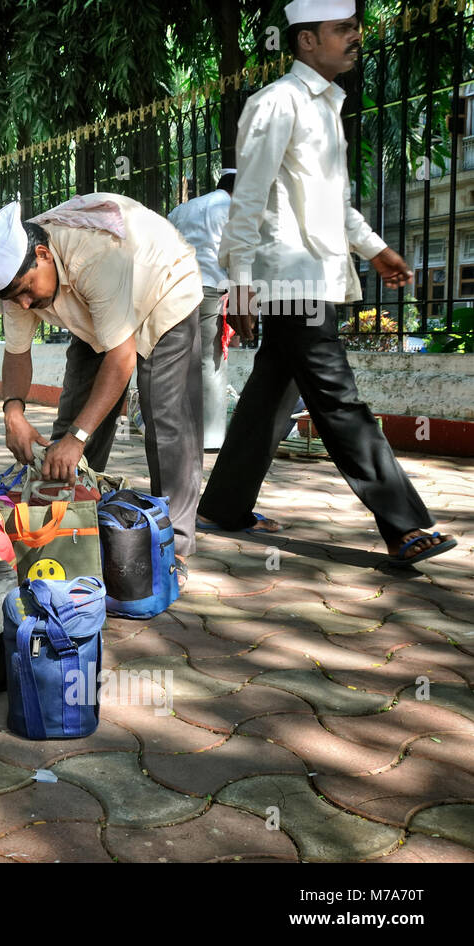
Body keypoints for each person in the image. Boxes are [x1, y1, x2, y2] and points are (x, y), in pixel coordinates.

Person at [198, 0, 456, 568]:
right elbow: (248, 200)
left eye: (355, 28)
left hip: (317, 277)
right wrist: (238, 286)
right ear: (307, 40)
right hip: (291, 280)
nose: (355, 37)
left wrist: (375, 248)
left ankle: (223, 506)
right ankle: (406, 524)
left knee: (270, 396)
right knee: (339, 402)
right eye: (342, 30)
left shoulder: (325, 109)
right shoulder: (275, 104)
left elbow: (330, 204)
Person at [0, 194, 204, 570]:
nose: (25, 305)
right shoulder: (16, 284)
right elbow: (16, 353)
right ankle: (71, 515)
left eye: (28, 290)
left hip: (164, 288)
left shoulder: (92, 254)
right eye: (16, 298)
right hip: (99, 310)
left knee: (165, 417)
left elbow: (122, 357)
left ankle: (172, 541)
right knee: (73, 418)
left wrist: (78, 439)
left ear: (44, 255)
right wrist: (13, 413)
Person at [168, 169, 239, 452]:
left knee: (179, 360)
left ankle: (178, 432)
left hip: (176, 289)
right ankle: (211, 438)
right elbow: (238, 256)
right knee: (211, 362)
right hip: (211, 287)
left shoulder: (183, 209)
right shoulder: (233, 209)